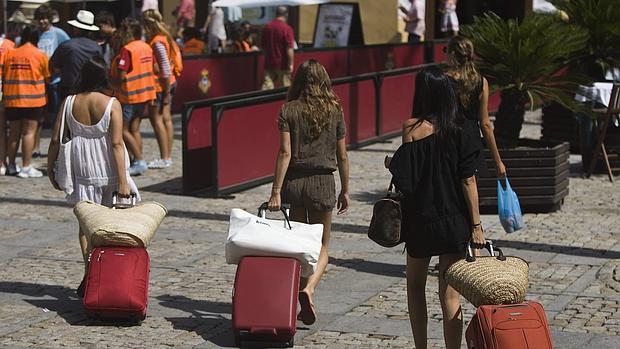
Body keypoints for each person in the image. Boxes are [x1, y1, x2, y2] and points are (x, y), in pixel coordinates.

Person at [387, 66, 484, 349]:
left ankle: (421, 347)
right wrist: (476, 226)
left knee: (415, 286)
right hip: (453, 219)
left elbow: (406, 179)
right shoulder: (463, 128)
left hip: (420, 219)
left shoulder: (412, 128)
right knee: (450, 294)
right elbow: (468, 181)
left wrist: (391, 163)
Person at [47, 56, 139, 297]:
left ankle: (91, 271)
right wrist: (123, 182)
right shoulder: (111, 104)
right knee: (110, 226)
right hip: (108, 170)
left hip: (82, 172)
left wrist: (50, 168)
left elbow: (56, 139)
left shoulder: (69, 102)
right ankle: (103, 274)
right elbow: (117, 144)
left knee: (85, 227)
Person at [267, 60, 350, 326]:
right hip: (323, 183)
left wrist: (276, 192)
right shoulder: (334, 110)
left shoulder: (288, 110)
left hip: (294, 183)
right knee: (322, 245)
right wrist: (346, 189)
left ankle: (298, 300)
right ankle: (309, 289)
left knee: (300, 245)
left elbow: (284, 153)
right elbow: (343, 155)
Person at [445, 36, 506, 178]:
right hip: (471, 141)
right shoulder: (480, 82)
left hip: (447, 140)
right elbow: (485, 124)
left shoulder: (443, 80)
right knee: (469, 183)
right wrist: (498, 162)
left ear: (452, 54)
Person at [3, 26, 50, 178]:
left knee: (14, 133)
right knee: (28, 133)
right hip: (33, 100)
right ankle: (26, 166)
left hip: (12, 99)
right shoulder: (40, 54)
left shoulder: (10, 53)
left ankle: (10, 165)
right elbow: (47, 76)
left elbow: (3, 74)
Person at [111, 17, 156, 176]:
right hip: (145, 94)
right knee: (135, 129)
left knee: (122, 130)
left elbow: (122, 76)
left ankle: (138, 160)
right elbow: (154, 67)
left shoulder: (127, 49)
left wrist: (112, 83)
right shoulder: (146, 47)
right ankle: (137, 160)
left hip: (129, 96)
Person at [143, 9, 179, 169]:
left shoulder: (157, 41)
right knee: (166, 119)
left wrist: (165, 92)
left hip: (161, 85)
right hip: (169, 82)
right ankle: (167, 156)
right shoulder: (166, 37)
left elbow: (164, 67)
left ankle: (164, 157)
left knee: (157, 120)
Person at [33, 4, 70, 158]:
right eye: (40, 19)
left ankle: (55, 147)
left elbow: (68, 48)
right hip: (38, 81)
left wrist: (61, 66)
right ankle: (35, 147)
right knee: (38, 117)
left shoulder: (58, 33)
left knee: (55, 115)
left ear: (50, 19)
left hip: (54, 81)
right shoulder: (34, 34)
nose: (42, 22)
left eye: (45, 19)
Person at [50, 10, 102, 101]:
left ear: (76, 28)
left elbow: (54, 67)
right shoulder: (97, 48)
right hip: (91, 91)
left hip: (69, 90)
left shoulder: (66, 46)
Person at [261, 6, 295, 90]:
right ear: (286, 15)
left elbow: (263, 47)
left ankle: (264, 103)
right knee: (286, 90)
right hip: (283, 64)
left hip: (269, 63)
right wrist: (290, 64)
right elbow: (289, 49)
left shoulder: (267, 27)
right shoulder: (287, 29)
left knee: (266, 90)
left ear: (275, 14)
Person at [0, 36, 15, 175]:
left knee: (2, 129)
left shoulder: (9, 45)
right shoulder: (10, 44)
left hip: (3, 92)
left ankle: (2, 162)